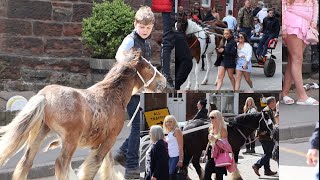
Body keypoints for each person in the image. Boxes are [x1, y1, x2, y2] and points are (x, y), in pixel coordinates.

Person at [113, 6, 155, 179]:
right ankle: (131, 168)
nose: (144, 30)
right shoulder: (131, 39)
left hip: (141, 91)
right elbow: (119, 55)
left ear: (152, 26)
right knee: (138, 127)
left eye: (148, 27)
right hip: (129, 91)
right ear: (135, 24)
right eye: (142, 27)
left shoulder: (146, 43)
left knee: (142, 127)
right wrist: (130, 64)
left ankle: (122, 152)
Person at [282, 0, 319, 105]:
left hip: (306, 24)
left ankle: (285, 93)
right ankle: (302, 96)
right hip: (293, 21)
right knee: (297, 58)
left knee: (293, 59)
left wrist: (314, 22)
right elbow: (283, 4)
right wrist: (284, 26)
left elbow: (315, 3)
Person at [152, 0, 193, 90]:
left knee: (171, 39)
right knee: (167, 41)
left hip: (170, 6)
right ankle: (166, 75)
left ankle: (167, 76)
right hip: (166, 6)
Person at [205, 110, 236, 180]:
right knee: (206, 174)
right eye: (210, 117)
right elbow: (209, 142)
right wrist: (204, 154)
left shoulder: (222, 130)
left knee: (219, 176)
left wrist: (215, 140)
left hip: (219, 154)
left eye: (212, 117)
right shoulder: (210, 128)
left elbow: (225, 145)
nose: (210, 119)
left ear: (217, 118)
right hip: (211, 153)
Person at [252, 96, 277, 177]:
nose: (275, 103)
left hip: (266, 135)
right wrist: (269, 132)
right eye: (274, 102)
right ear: (271, 103)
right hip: (266, 136)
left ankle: (267, 170)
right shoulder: (266, 111)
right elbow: (267, 124)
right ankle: (257, 165)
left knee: (267, 153)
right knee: (269, 154)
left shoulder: (268, 110)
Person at [163, 115, 184, 180]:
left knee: (171, 174)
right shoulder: (169, 132)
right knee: (169, 174)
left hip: (176, 156)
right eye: (167, 122)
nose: (168, 123)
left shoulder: (177, 131)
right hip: (170, 157)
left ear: (174, 122)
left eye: (170, 121)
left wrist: (180, 160)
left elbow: (181, 146)